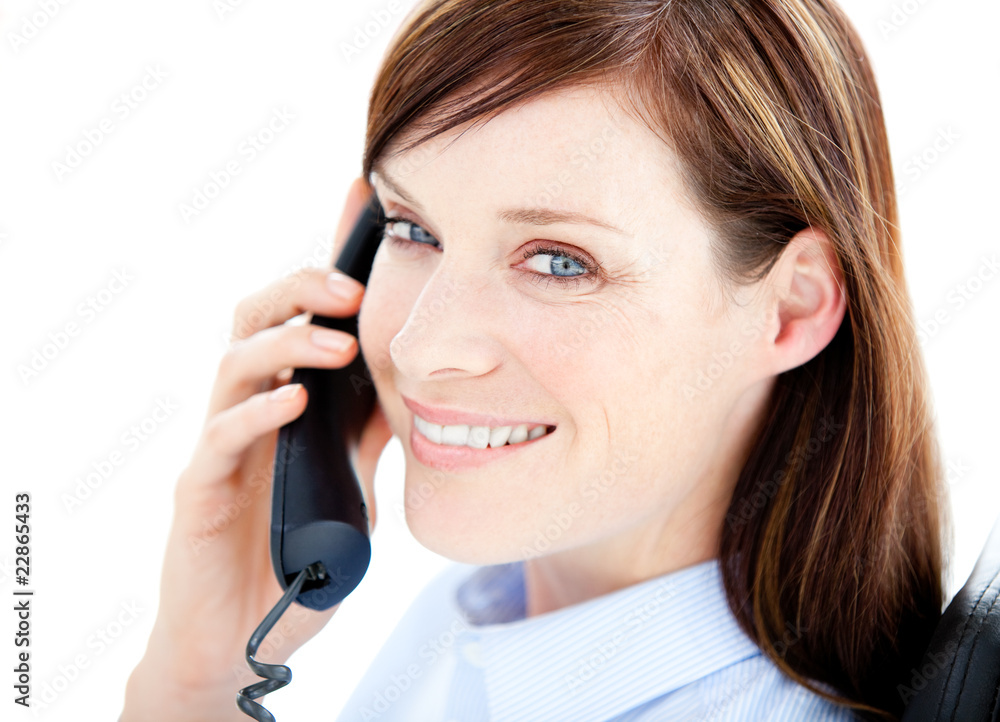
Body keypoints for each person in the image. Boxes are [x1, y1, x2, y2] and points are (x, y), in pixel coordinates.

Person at [120, 0, 949, 720]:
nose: (418, 348)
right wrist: (199, 680)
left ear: (789, 308)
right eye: (411, 228)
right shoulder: (478, 610)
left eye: (559, 261)